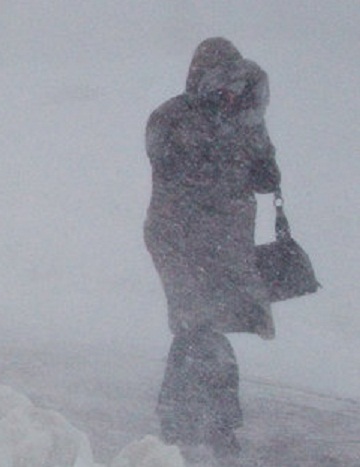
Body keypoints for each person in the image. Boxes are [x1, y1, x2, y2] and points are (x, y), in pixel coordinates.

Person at [144, 37, 281, 459]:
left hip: (225, 243)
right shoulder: (172, 116)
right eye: (223, 84)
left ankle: (186, 422)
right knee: (196, 325)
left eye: (237, 85)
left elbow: (265, 178)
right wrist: (221, 144)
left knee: (202, 327)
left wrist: (255, 143)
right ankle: (210, 424)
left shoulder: (244, 122)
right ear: (200, 78)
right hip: (178, 238)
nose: (230, 93)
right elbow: (169, 169)